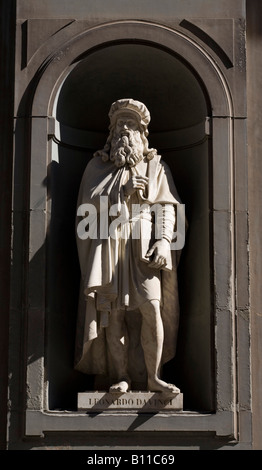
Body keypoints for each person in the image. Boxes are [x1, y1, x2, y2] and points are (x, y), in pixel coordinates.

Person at [75, 98, 183, 394]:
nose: (125, 129)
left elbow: (167, 207)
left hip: (144, 246)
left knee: (152, 308)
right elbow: (85, 209)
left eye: (131, 124)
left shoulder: (156, 165)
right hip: (109, 245)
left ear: (141, 133)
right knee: (114, 314)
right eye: (120, 123)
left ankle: (153, 376)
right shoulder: (97, 166)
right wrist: (119, 194)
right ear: (111, 132)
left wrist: (163, 241)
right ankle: (120, 376)